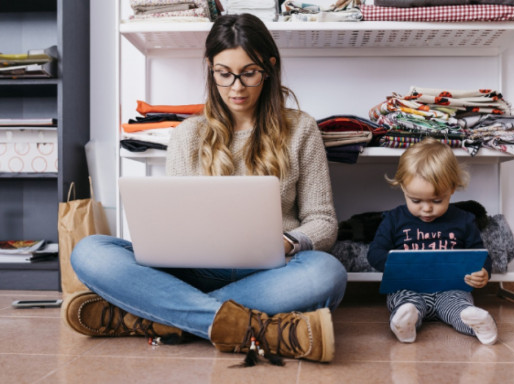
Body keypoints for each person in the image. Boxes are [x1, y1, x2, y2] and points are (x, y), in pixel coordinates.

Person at [63, 13, 347, 364]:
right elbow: (177, 222)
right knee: (89, 251)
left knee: (328, 273)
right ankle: (251, 327)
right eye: (223, 74)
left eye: (249, 73)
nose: (236, 87)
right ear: (210, 68)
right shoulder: (188, 135)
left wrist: (289, 241)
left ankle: (161, 318)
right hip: (194, 271)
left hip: (271, 272)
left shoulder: (301, 128)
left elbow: (323, 222)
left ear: (270, 68)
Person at [367, 138, 498, 345]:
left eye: (437, 201)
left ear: (452, 189)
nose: (427, 209)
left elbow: (478, 253)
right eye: (416, 200)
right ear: (403, 188)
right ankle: (406, 322)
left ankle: (475, 321)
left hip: (450, 288)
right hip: (409, 286)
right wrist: (395, 266)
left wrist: (483, 272)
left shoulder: (463, 219)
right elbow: (375, 252)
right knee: (404, 302)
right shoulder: (394, 219)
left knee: (458, 305)